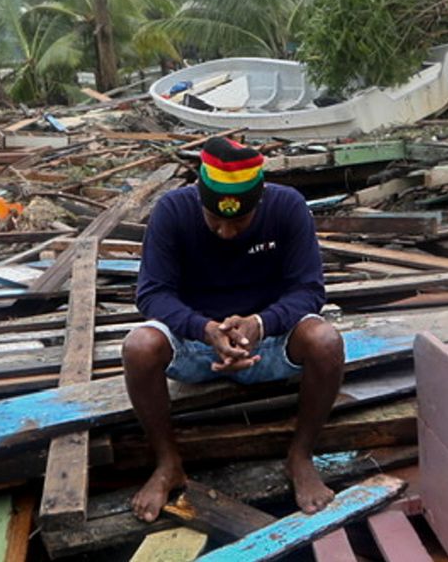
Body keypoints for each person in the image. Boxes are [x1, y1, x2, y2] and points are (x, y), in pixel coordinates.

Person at [123, 137, 346, 521]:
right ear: (199, 201)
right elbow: (153, 293)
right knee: (138, 346)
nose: (226, 233)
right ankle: (168, 462)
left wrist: (261, 324)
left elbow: (309, 289)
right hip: (196, 345)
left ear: (259, 204)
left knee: (326, 341)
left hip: (271, 340)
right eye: (216, 222)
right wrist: (204, 329)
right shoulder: (172, 211)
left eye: (239, 223)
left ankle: (300, 456)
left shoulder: (288, 207)